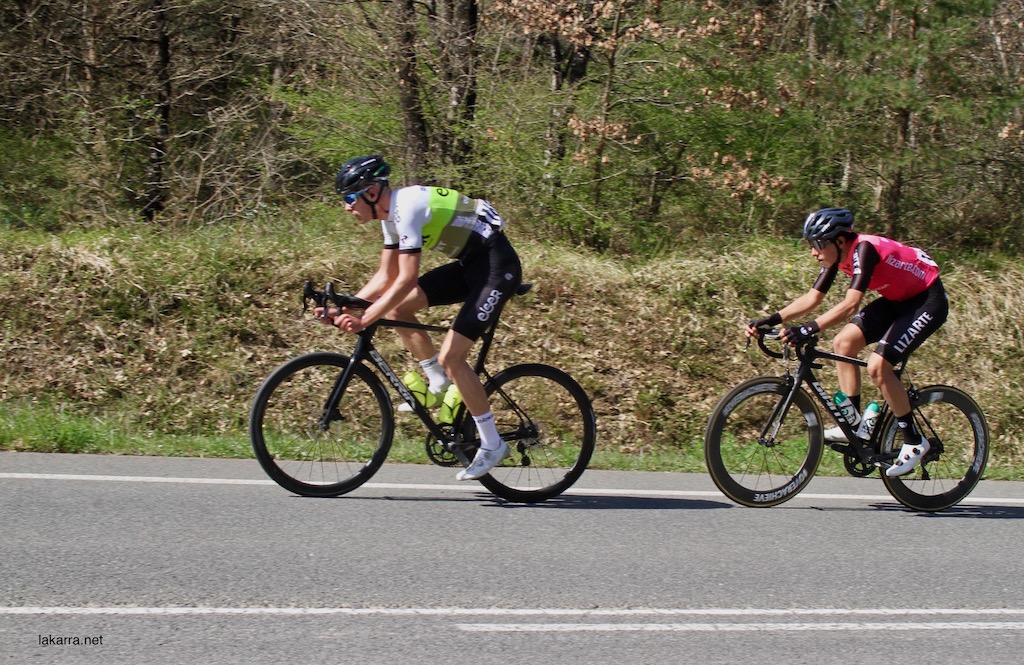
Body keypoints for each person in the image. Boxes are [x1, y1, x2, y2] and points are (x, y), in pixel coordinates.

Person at [319, 155, 522, 481]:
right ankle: (438, 382)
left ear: (371, 192)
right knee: (399, 309)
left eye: (349, 197)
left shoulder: (407, 207)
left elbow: (406, 279)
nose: (346, 206)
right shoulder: (390, 216)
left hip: (497, 269)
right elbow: (386, 276)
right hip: (470, 266)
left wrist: (365, 318)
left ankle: (492, 443)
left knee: (452, 357)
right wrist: (344, 310)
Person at [745, 207, 948, 477]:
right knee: (843, 343)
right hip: (897, 300)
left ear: (839, 241)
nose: (813, 252)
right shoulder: (837, 255)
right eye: (811, 245)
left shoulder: (864, 249)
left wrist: (807, 329)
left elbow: (851, 304)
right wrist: (771, 319)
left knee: (878, 367)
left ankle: (913, 440)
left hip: (927, 301)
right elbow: (813, 298)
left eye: (818, 244)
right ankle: (852, 423)